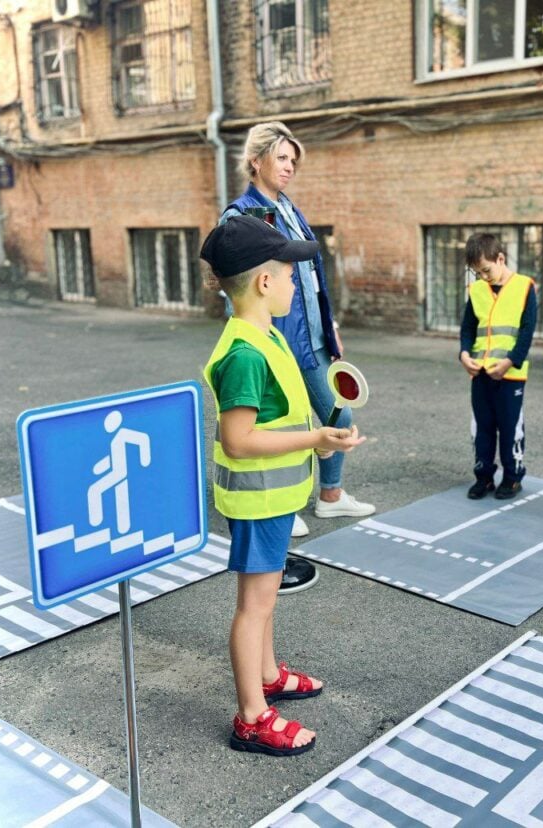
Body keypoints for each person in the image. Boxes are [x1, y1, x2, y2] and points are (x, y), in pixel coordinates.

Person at [199, 215, 365, 755]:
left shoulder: (263, 336)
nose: (297, 285)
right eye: (291, 276)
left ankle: (268, 675)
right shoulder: (246, 352)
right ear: (264, 282)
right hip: (258, 498)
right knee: (256, 605)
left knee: (265, 602)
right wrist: (314, 435)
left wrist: (319, 441)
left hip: (273, 495)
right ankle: (251, 715)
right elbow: (240, 439)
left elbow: (280, 422)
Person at [221, 121, 374, 595]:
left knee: (337, 410)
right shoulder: (241, 214)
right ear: (256, 161)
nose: (289, 167)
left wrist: (330, 326)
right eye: (282, 158)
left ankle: (329, 496)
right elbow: (240, 291)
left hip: (313, 337)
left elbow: (310, 278)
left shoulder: (289, 207)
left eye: (293, 160)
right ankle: (281, 509)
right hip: (279, 342)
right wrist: (261, 340)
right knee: (281, 424)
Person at [459, 233, 537, 500]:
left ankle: (513, 477)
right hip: (480, 373)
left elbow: (527, 332)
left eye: (486, 270)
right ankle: (484, 477)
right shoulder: (477, 290)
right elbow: (468, 327)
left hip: (511, 374)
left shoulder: (525, 287)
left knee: (510, 427)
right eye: (477, 272)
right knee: (482, 427)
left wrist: (509, 361)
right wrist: (464, 353)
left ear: (500, 258)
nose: (482, 277)